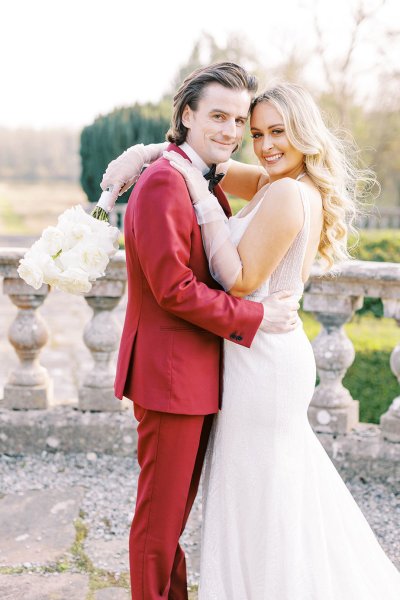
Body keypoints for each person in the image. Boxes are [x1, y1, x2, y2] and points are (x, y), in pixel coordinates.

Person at [104, 81, 400, 599]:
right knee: (267, 488)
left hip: (263, 353)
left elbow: (239, 280)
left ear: (304, 132)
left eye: (277, 131)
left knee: (261, 491)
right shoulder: (275, 180)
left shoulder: (286, 191)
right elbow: (200, 163)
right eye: (255, 131)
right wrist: (149, 152)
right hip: (253, 352)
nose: (262, 144)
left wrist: (201, 198)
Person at [107, 63, 299, 600]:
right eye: (219, 116)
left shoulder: (196, 176)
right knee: (158, 523)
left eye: (240, 121)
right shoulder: (167, 182)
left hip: (195, 374)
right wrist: (255, 318)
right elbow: (172, 288)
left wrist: (149, 148)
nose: (231, 132)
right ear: (187, 114)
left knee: (172, 520)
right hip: (170, 377)